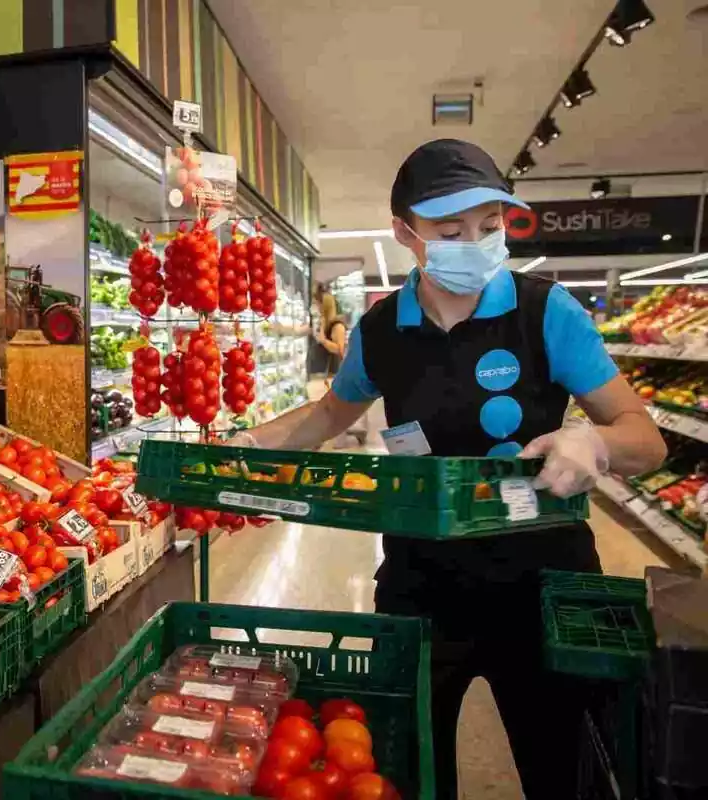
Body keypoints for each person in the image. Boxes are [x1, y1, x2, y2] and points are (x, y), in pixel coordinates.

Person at [234, 139, 666, 798]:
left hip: (544, 585)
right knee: (410, 769)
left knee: (559, 769)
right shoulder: (379, 331)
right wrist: (240, 446)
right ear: (405, 233)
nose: (476, 242)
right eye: (451, 229)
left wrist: (596, 443)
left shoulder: (545, 313)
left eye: (489, 227)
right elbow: (327, 416)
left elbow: (647, 440)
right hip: (422, 583)